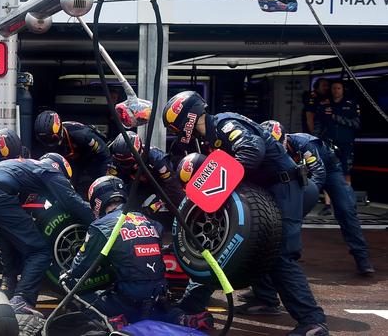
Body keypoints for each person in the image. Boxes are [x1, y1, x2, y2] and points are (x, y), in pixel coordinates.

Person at [162, 91, 329, 336]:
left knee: (280, 255)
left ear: (186, 117)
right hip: (265, 189)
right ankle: (195, 305)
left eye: (175, 126)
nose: (175, 132)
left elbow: (252, 150)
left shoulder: (223, 123)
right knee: (226, 249)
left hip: (284, 187)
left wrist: (222, 187)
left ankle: (313, 322)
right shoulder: (210, 136)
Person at [63, 176, 214, 331]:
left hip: (128, 300)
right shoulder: (150, 221)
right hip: (156, 296)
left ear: (97, 201)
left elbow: (79, 269)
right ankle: (180, 317)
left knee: (76, 297)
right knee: (157, 305)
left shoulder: (101, 225)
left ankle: (112, 322)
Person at [0, 153, 94, 316]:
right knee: (39, 252)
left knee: (10, 237)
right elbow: (71, 201)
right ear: (59, 169)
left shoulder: (24, 166)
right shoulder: (50, 171)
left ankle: (8, 288)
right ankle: (23, 300)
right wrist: (100, 221)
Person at [261, 121, 374, 275]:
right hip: (300, 175)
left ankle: (362, 258)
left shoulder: (305, 144)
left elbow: (319, 174)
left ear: (285, 138)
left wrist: (300, 198)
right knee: (286, 215)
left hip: (328, 170)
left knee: (346, 210)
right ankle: (282, 262)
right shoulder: (268, 149)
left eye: (279, 144)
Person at [34, 110, 111, 194]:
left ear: (60, 132)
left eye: (52, 140)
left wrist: (104, 181)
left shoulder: (82, 135)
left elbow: (104, 154)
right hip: (71, 163)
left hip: (93, 160)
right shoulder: (42, 140)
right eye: (45, 141)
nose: (49, 145)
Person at [107, 131, 185, 207]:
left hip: (162, 184)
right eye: (119, 160)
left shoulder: (157, 159)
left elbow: (172, 187)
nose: (122, 164)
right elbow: (114, 186)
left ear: (139, 154)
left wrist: (156, 205)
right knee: (129, 205)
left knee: (175, 203)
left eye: (127, 161)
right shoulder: (115, 161)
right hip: (139, 184)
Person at [315, 80, 360, 184]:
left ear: (343, 90)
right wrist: (315, 139)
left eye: (339, 88)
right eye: (334, 88)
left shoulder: (351, 104)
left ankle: (347, 197)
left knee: (346, 171)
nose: (336, 91)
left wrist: (337, 118)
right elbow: (318, 124)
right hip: (328, 142)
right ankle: (328, 200)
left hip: (345, 143)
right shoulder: (324, 104)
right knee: (328, 169)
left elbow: (357, 124)